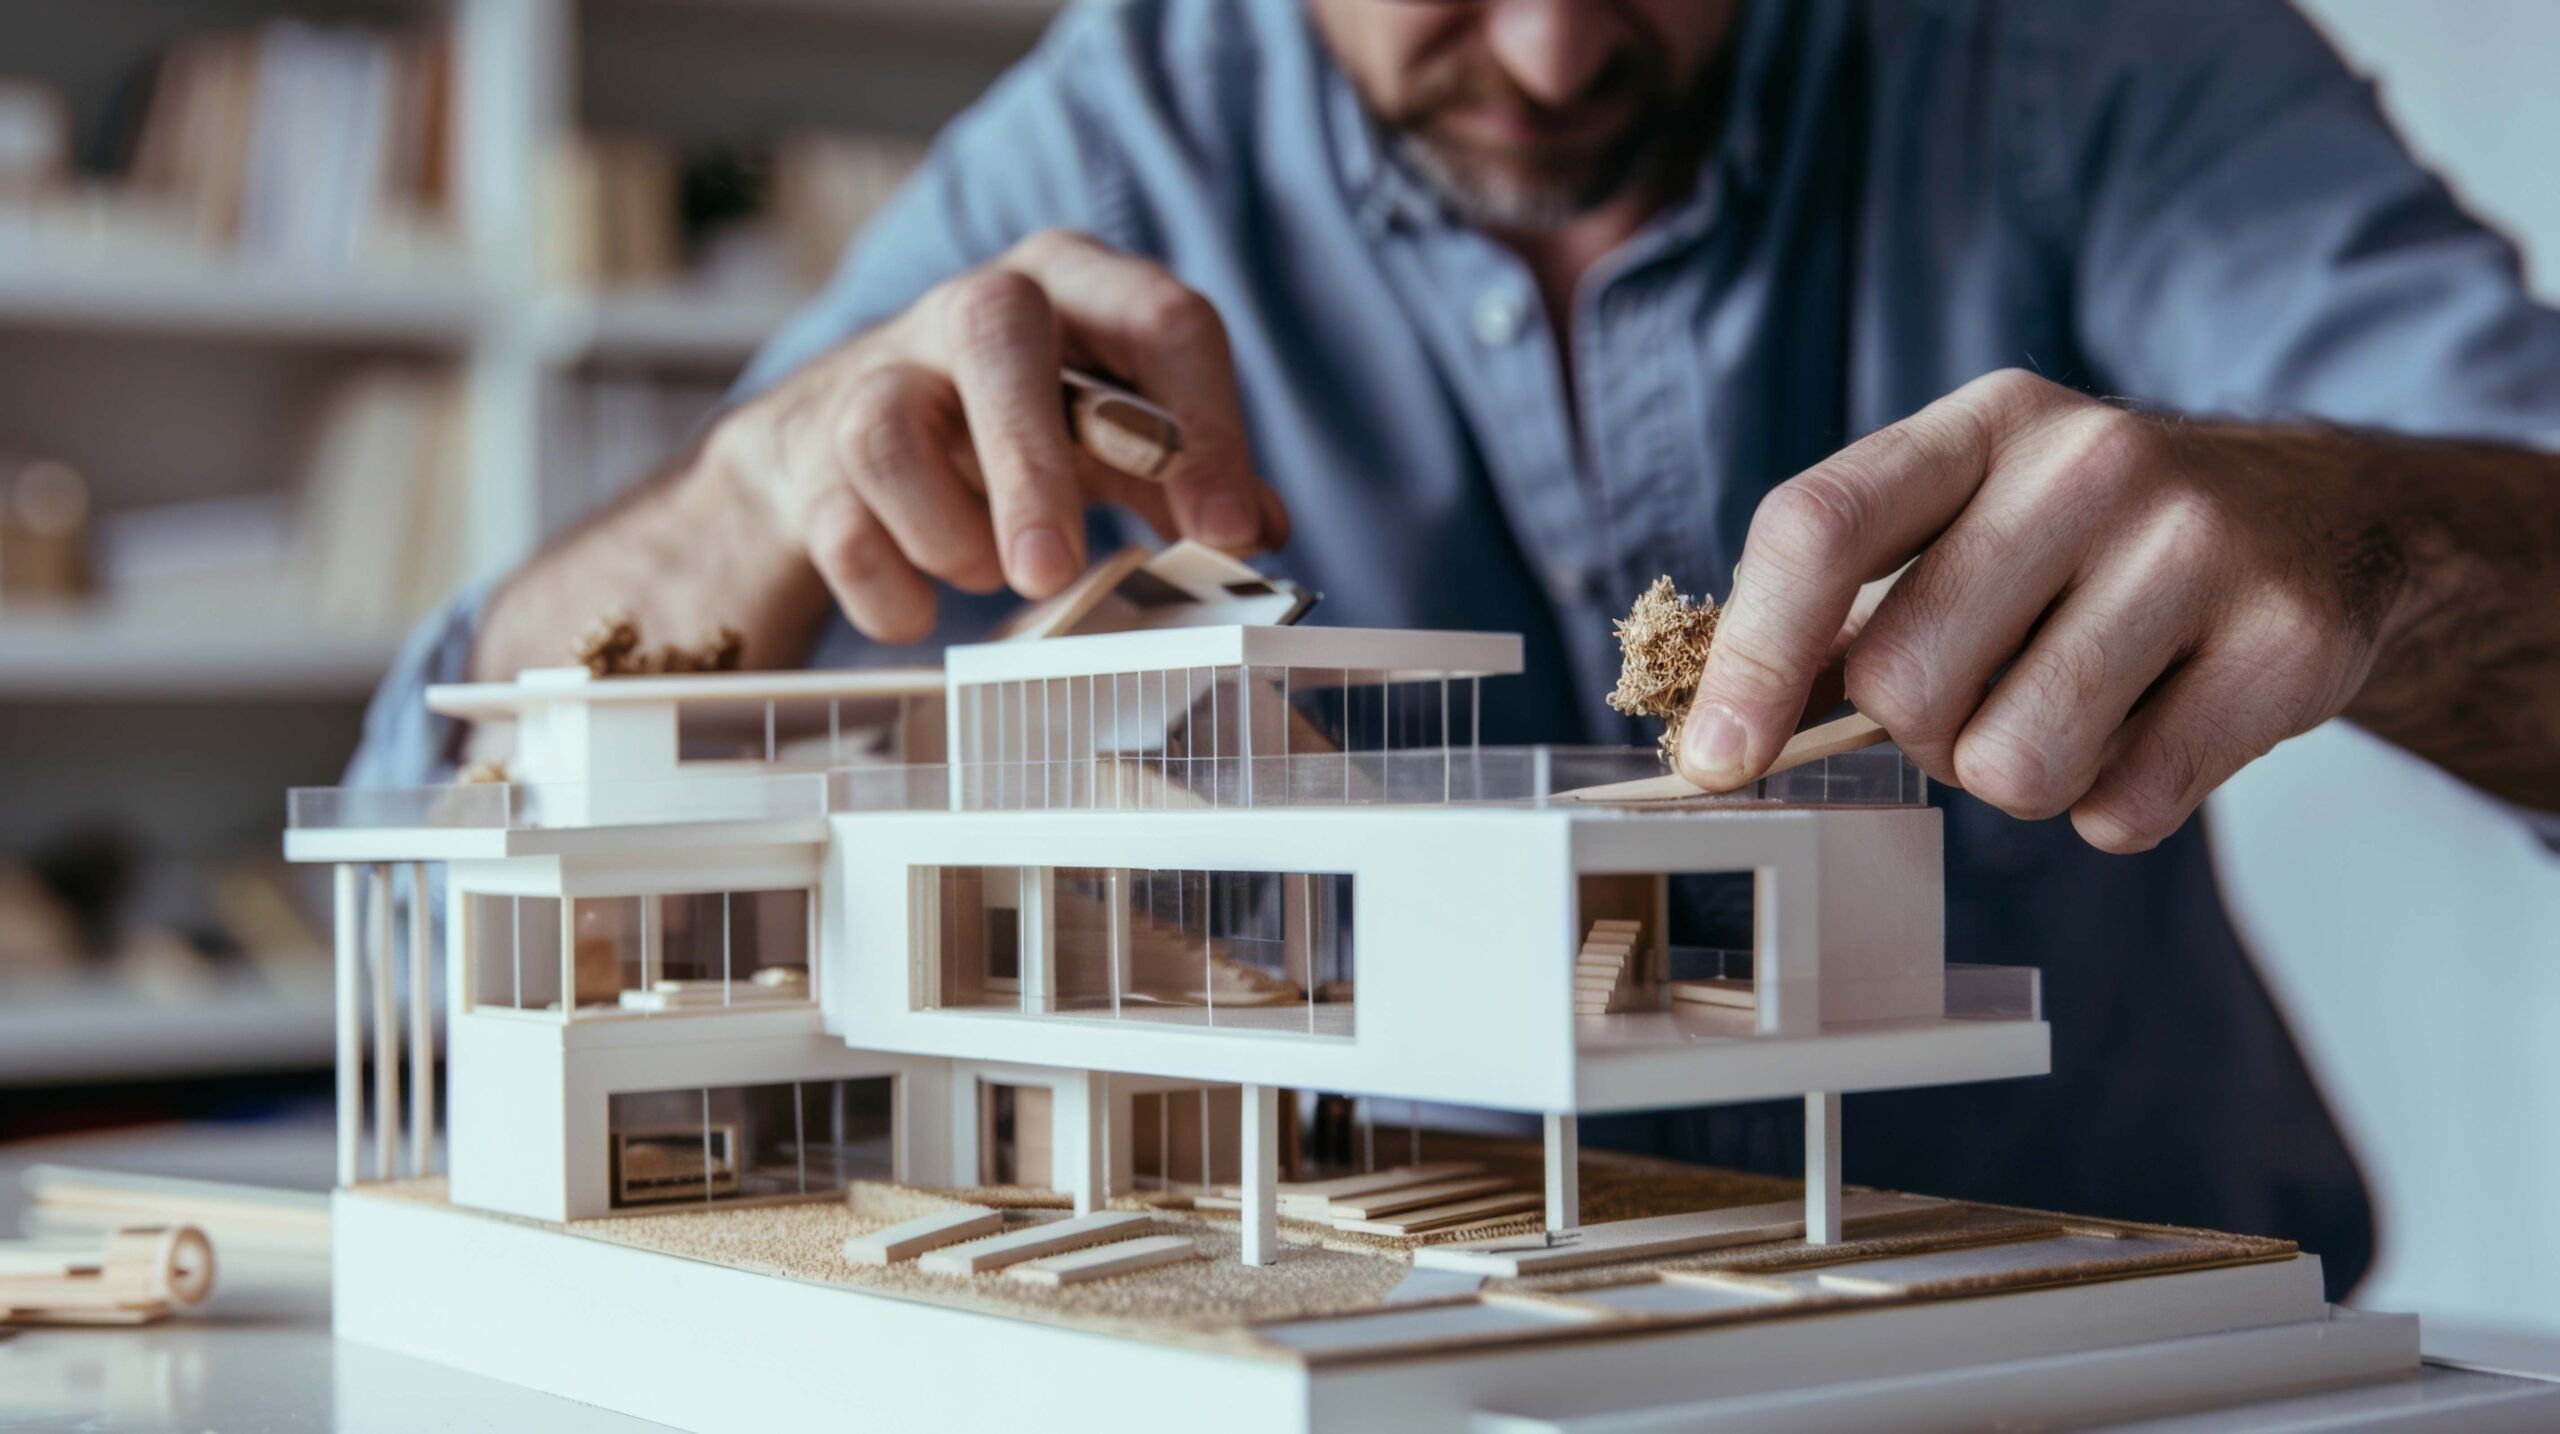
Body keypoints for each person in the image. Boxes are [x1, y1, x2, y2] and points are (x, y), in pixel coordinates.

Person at [353, 0, 2560, 1297]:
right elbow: (401, 899)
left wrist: (2385, 542)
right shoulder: (1118, 121)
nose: (1549, 50)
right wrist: (743, 502)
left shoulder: (2091, 60)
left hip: (2098, 1351)